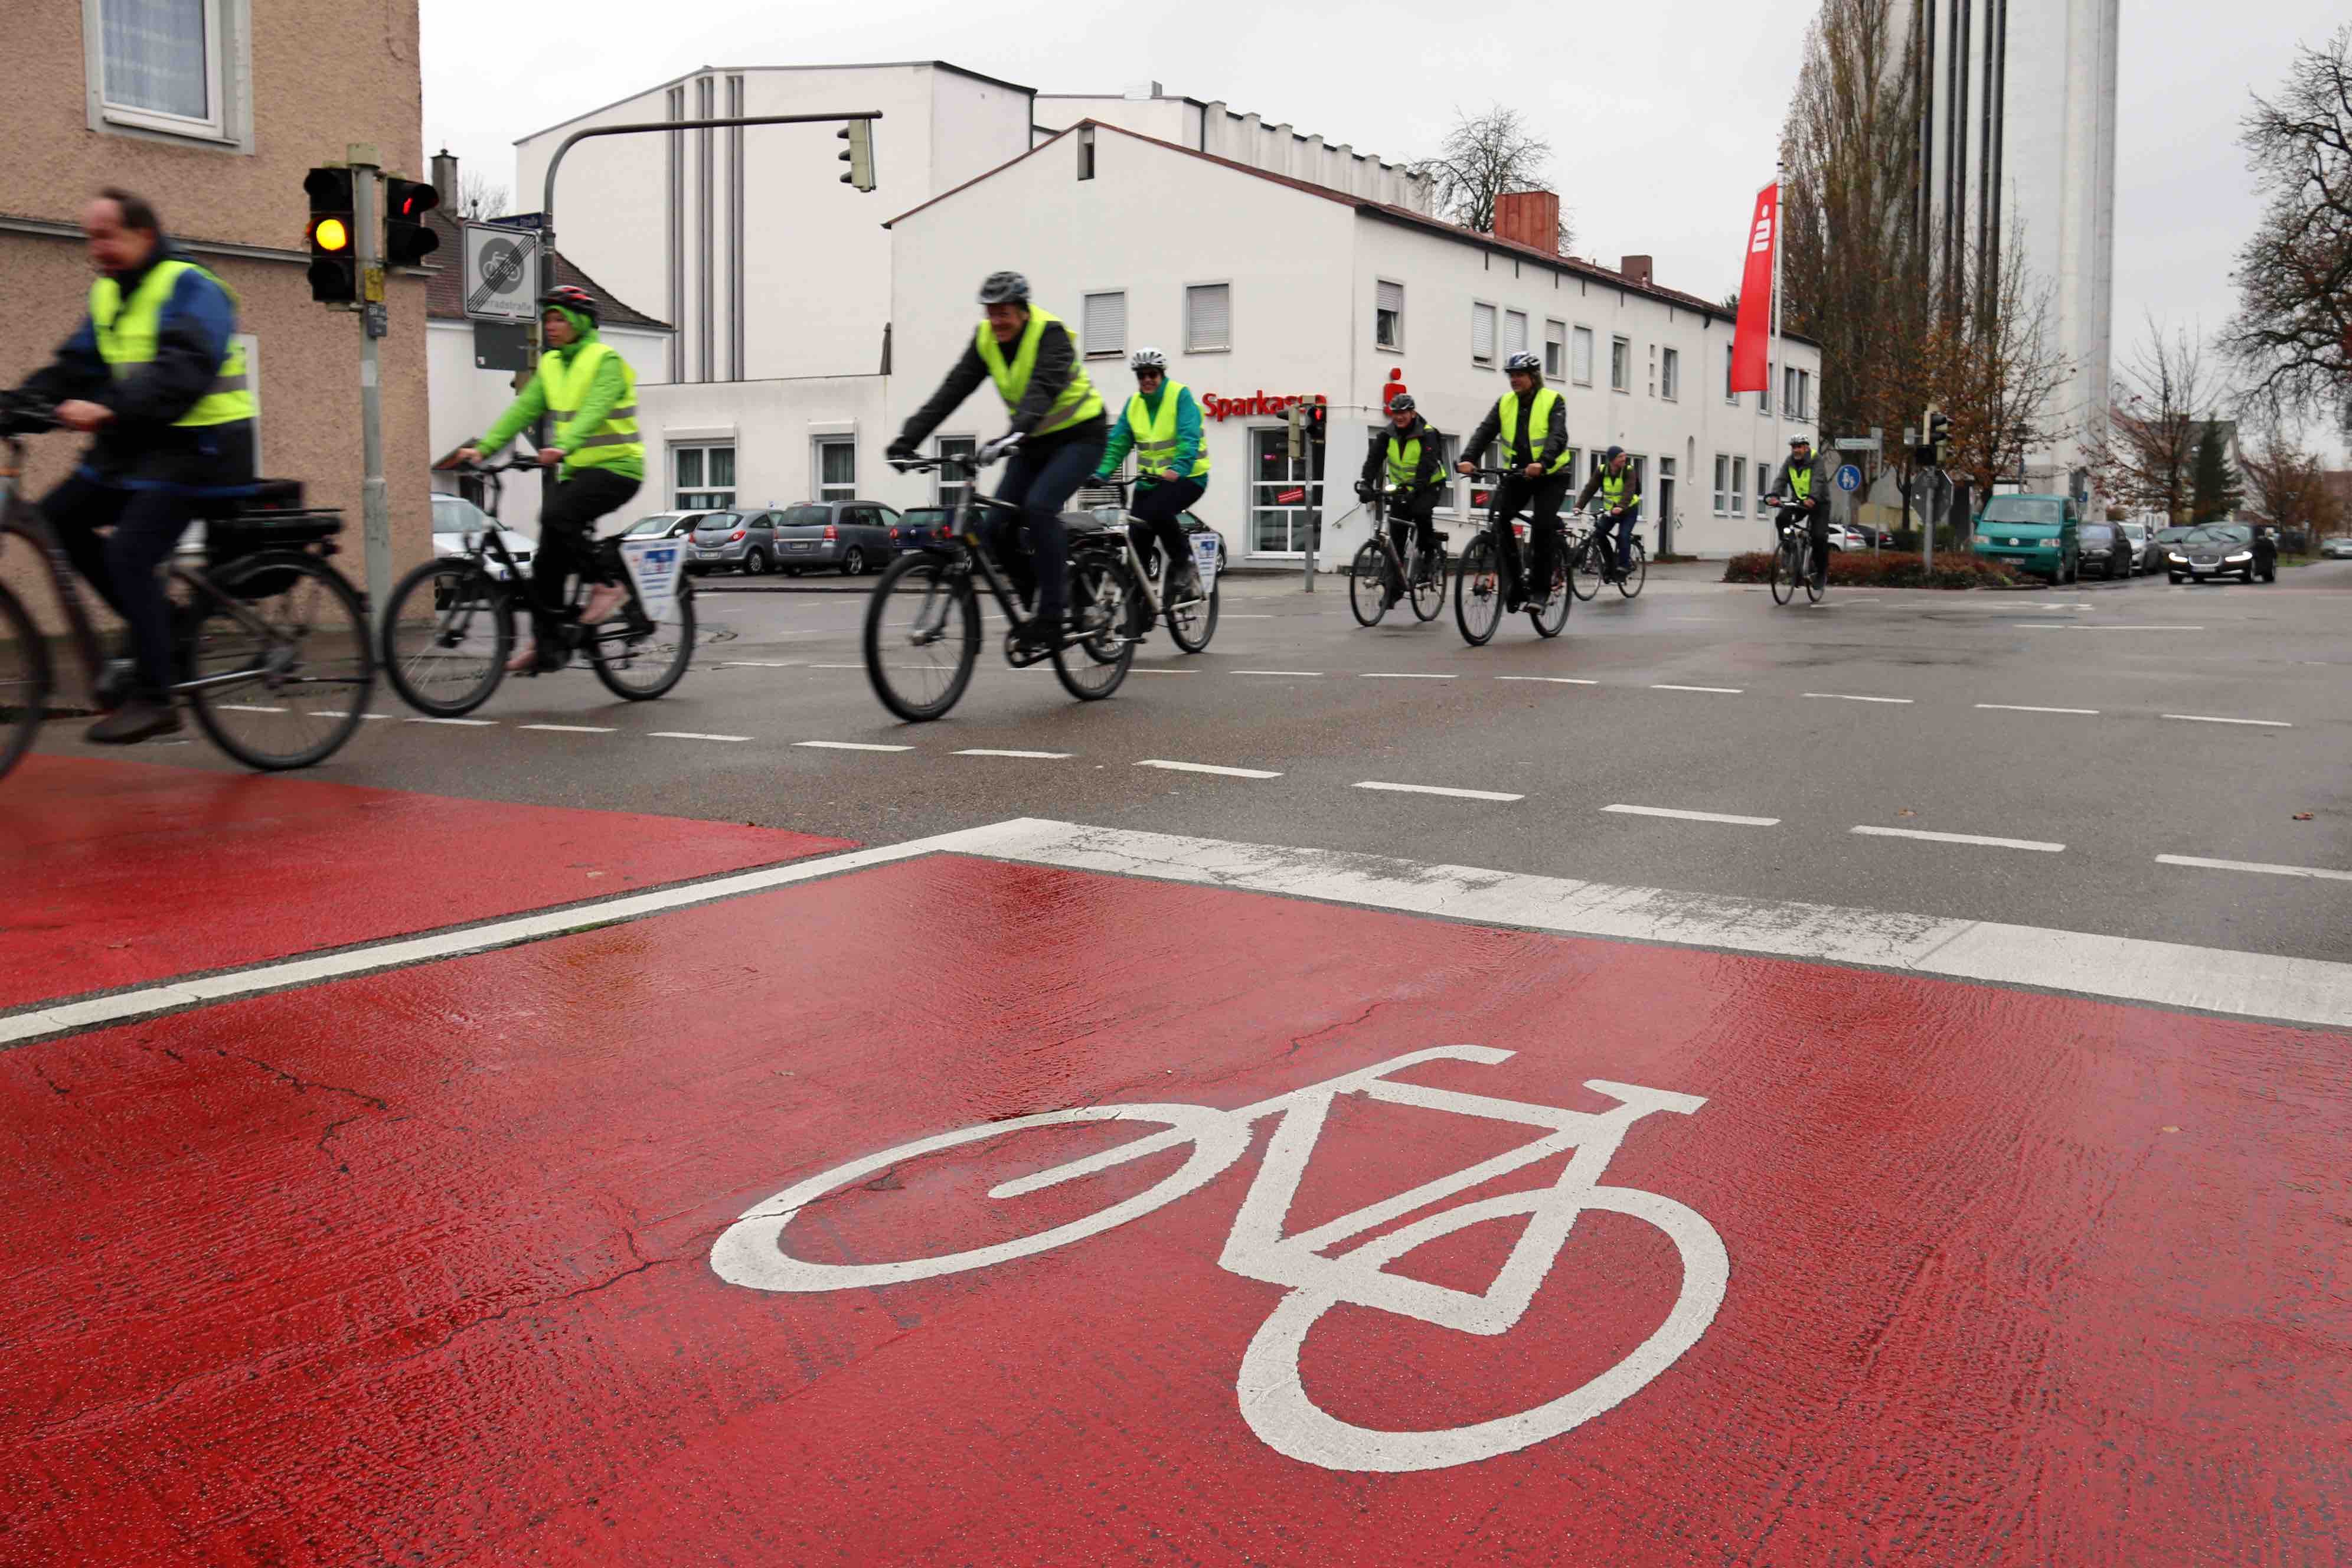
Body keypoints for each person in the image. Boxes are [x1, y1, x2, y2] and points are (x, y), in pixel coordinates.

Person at [13, 188, 257, 743]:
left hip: (204, 448)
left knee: (129, 551)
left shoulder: (193, 286)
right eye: (89, 237)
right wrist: (19, 403)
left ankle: (156, 695)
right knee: (56, 519)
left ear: (143, 235)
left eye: (105, 235)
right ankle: (162, 625)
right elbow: (74, 367)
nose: (95, 248)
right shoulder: (108, 294)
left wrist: (109, 408)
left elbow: (185, 367)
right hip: (140, 444)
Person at [890, 271, 1106, 651]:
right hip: (1032, 442)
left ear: (1023, 311)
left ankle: (1053, 620)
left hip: (1080, 436)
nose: (996, 321)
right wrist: (908, 438)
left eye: (1003, 312)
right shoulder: (986, 340)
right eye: (990, 313)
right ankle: (1036, 603)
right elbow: (952, 390)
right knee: (993, 530)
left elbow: (1041, 392)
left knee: (1039, 509)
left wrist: (1012, 434)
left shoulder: (1050, 335)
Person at [455, 285, 642, 673]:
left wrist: (563, 445)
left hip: (619, 468)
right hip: (578, 471)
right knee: (546, 562)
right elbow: (522, 410)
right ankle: (547, 645)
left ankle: (608, 584)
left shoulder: (605, 361)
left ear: (578, 322)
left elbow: (595, 410)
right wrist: (484, 449)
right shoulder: (552, 367)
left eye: (559, 320)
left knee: (556, 516)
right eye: (548, 320)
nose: (551, 327)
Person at [1457, 351, 1573, 611]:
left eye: (1519, 375)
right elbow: (1485, 431)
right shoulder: (1505, 403)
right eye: (1511, 375)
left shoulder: (1553, 400)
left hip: (1551, 475)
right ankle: (1516, 584)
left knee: (1543, 525)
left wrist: (1543, 463)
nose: (1514, 380)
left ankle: (1541, 591)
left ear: (1533, 376)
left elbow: (1558, 436)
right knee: (1498, 518)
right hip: (1518, 474)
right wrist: (1468, 457)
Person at [1093, 347, 1207, 604]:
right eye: (1142, 375)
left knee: (1158, 513)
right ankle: (1140, 612)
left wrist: (1179, 467)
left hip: (1189, 478)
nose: (1147, 379)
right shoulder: (1134, 405)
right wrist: (1101, 473)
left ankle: (1186, 566)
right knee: (1137, 541)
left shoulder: (1180, 396)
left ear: (1161, 375)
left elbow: (1189, 437)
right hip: (1148, 483)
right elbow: (1118, 443)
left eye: (1152, 374)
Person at [1357, 394, 1448, 607]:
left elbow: (1427, 464)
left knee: (1421, 513)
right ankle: (1394, 589)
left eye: (1403, 413)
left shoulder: (1428, 434)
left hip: (1429, 484)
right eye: (1395, 413)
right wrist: (1366, 483)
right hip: (1401, 488)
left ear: (1413, 413)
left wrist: (1416, 489)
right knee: (1396, 537)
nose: (1399, 417)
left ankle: (1429, 558)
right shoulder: (1387, 435)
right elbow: (1373, 461)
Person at [1764, 435, 1829, 589]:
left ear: (1806, 447)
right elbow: (1781, 479)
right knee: (1782, 519)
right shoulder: (1790, 461)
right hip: (1800, 501)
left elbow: (1818, 481)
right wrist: (1774, 495)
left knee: (1819, 537)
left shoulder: (1816, 460)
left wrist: (1813, 497)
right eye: (1793, 447)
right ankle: (1788, 547)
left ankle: (1821, 573)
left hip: (1819, 503)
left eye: (1799, 447)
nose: (1796, 450)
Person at [1576, 445, 1644, 582]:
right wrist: (1578, 506)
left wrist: (1621, 506)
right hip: (1611, 512)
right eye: (1620, 457)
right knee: (1599, 534)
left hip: (1629, 510)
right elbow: (1590, 489)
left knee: (1623, 535)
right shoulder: (1601, 471)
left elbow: (1629, 491)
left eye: (1625, 456)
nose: (1624, 459)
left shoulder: (1628, 471)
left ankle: (1624, 567)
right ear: (1612, 460)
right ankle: (1610, 565)